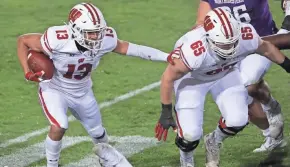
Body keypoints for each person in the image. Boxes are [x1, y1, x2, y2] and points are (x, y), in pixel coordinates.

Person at [17, 3, 169, 167]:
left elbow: (132, 49)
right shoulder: (57, 39)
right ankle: (51, 165)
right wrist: (27, 71)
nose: (96, 38)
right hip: (55, 88)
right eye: (91, 33)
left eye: (98, 32)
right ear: (75, 30)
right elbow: (23, 41)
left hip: (82, 90)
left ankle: (105, 161)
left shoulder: (106, 40)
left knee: (98, 134)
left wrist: (166, 56)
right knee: (59, 125)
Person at [155, 7, 290, 167]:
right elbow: (168, 77)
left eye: (233, 42)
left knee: (238, 119)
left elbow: (266, 48)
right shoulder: (193, 51)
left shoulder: (245, 35)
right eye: (225, 45)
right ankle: (186, 160)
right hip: (193, 80)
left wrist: (287, 64)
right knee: (190, 134)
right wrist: (166, 111)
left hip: (225, 73)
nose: (231, 48)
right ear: (209, 39)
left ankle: (214, 140)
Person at [194, 0, 290, 152]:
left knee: (246, 83)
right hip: (228, 47)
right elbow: (201, 22)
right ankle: (272, 132)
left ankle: (271, 114)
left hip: (263, 42)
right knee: (249, 92)